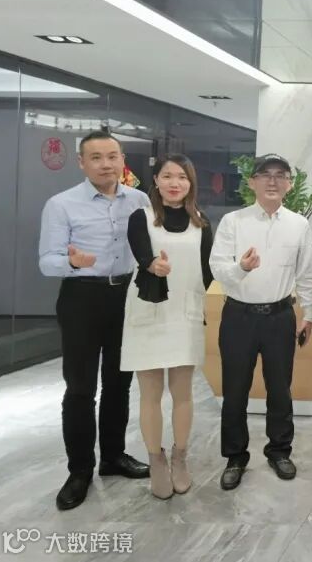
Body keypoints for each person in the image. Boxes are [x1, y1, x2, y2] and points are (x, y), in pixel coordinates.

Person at [38, 130, 151, 511]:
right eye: (97, 157)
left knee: (119, 383)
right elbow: (47, 261)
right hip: (82, 298)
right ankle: (80, 470)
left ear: (122, 160)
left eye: (112, 156)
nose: (106, 164)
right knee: (81, 388)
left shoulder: (138, 200)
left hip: (126, 297)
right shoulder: (61, 204)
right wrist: (72, 262)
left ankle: (114, 456)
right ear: (82, 163)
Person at [209, 154, 312, 491]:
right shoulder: (233, 222)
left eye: (280, 175)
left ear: (289, 184)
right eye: (265, 174)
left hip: (280, 317)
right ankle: (235, 457)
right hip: (238, 316)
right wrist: (241, 267)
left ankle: (280, 451)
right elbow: (217, 267)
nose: (272, 181)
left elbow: (306, 273)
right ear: (251, 182)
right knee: (235, 391)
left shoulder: (298, 224)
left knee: (280, 389)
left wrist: (309, 314)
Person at [122, 154, 214, 500]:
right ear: (156, 181)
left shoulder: (201, 222)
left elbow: (209, 271)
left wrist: (239, 272)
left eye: (182, 177)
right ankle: (155, 460)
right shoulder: (141, 217)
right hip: (149, 312)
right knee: (150, 394)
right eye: (168, 176)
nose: (175, 183)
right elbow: (142, 255)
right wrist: (153, 265)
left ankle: (180, 457)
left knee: (183, 393)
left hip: (185, 314)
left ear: (191, 183)